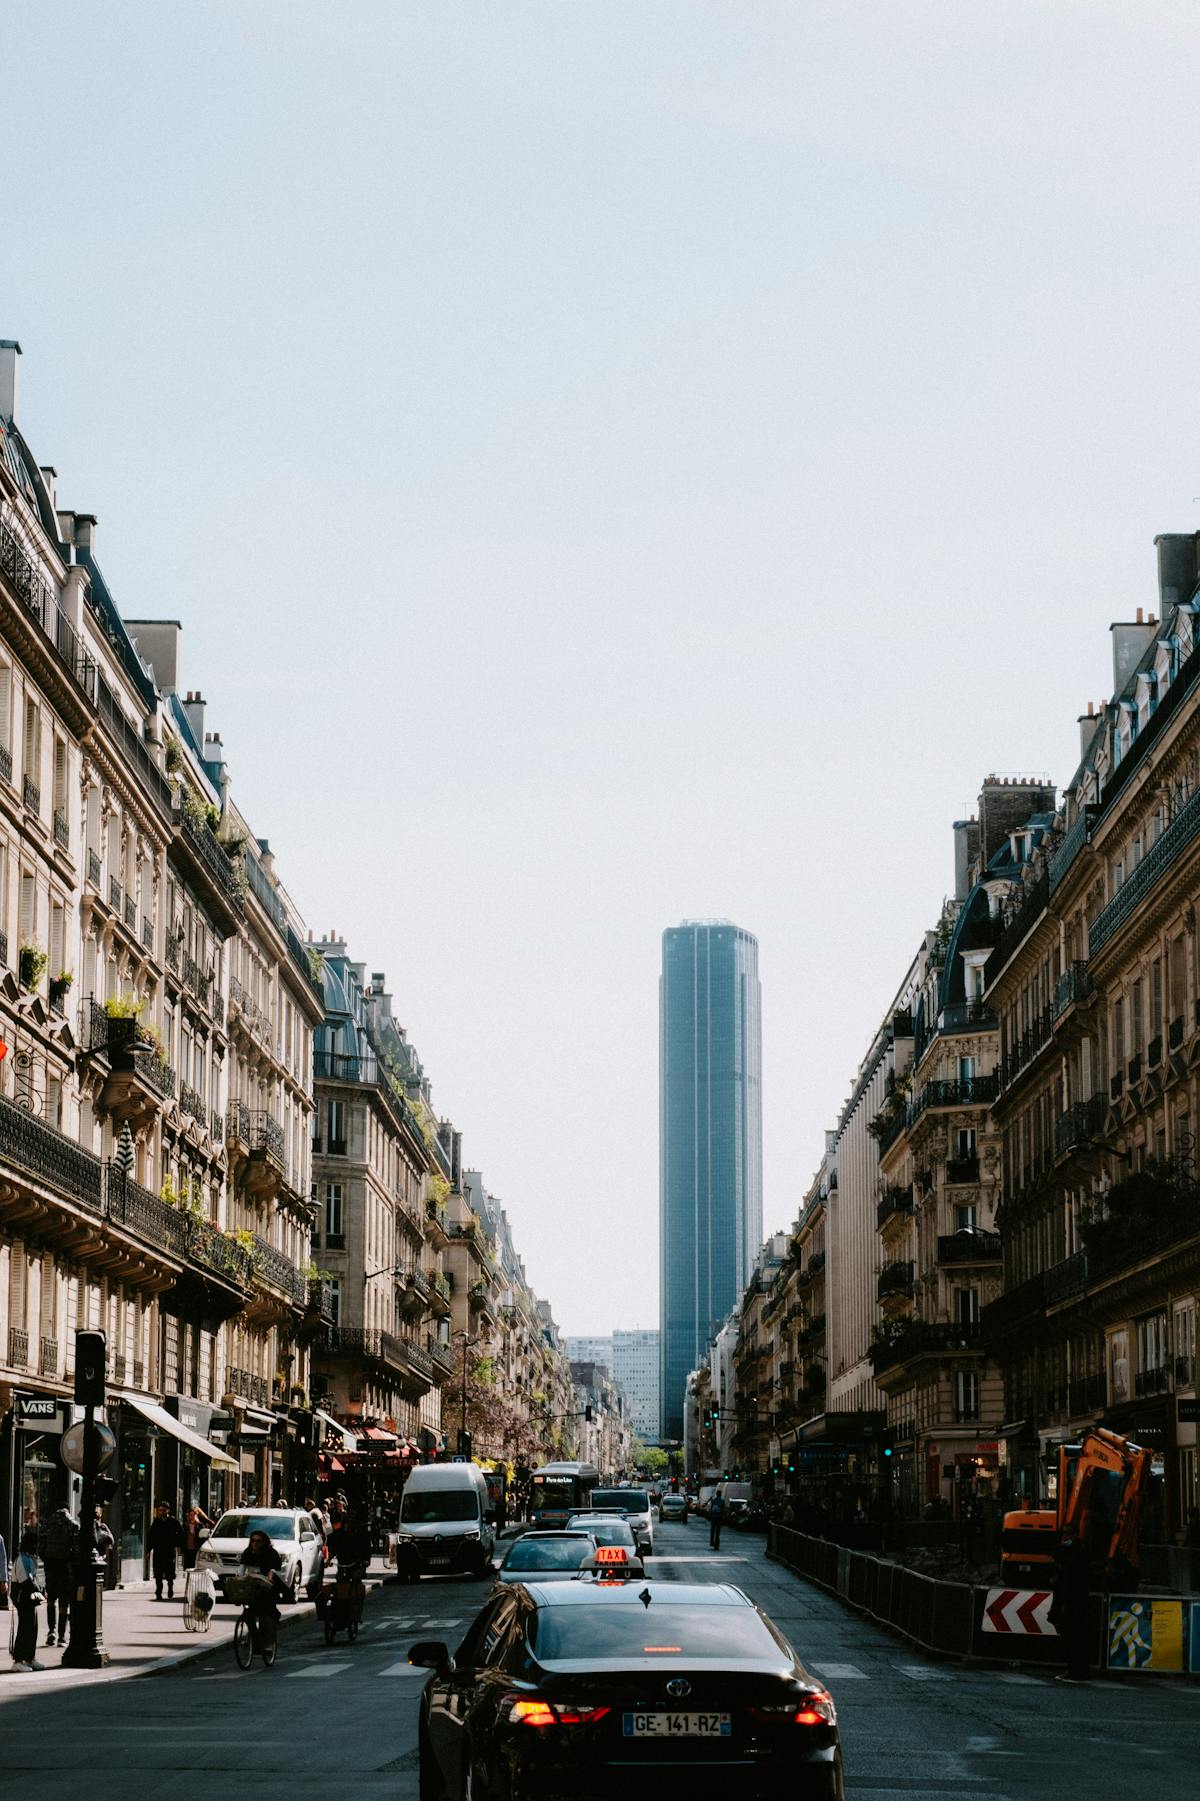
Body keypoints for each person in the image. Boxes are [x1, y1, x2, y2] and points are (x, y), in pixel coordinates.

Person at [1050, 1525, 1092, 1683]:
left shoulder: (1076, 1554)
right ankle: (1078, 1670)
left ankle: (1076, 1671)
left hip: (1072, 1602)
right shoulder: (1075, 1552)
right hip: (1073, 1601)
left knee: (1073, 1639)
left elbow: (1070, 1580)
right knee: (1075, 1639)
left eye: (1068, 1534)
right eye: (1063, 1534)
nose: (1065, 1537)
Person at [36, 1504, 78, 1649]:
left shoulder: (48, 1523)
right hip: (65, 1568)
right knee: (64, 1604)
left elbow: (40, 1546)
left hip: (50, 1567)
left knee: (51, 1600)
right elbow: (76, 1548)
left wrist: (46, 1560)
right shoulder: (72, 1524)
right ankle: (61, 1636)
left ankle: (51, 1631)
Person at [238, 1527, 284, 1646]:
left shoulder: (271, 1553)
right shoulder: (248, 1552)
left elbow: (275, 1569)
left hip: (267, 1588)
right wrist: (239, 1578)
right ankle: (254, 1637)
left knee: (265, 1615)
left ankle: (268, 1643)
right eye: (253, 1541)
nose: (255, 1543)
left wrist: (270, 1575)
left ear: (264, 1542)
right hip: (252, 1587)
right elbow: (242, 1568)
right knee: (247, 1614)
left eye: (258, 1541)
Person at [9, 1530, 45, 1671]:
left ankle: (29, 1657)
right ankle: (19, 1660)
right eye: (35, 1544)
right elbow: (26, 1581)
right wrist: (39, 1591)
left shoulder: (28, 1558)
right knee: (25, 1627)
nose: (37, 1547)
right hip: (23, 1597)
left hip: (28, 1596)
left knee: (31, 1627)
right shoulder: (23, 1559)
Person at [147, 1500, 185, 1601]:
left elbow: (181, 1534)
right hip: (158, 1551)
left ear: (168, 1510)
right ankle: (158, 1592)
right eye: (160, 1510)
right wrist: (148, 1550)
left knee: (169, 1572)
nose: (162, 1512)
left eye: (164, 1510)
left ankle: (170, 1588)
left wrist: (179, 1546)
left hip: (169, 1551)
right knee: (158, 1573)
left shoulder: (173, 1521)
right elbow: (151, 1537)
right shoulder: (156, 1522)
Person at [182, 1504, 214, 1572]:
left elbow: (203, 1537)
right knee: (187, 1568)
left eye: (193, 1514)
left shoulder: (200, 1525)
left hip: (196, 1549)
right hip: (187, 1549)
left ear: (196, 1515)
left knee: (195, 1568)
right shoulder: (185, 1525)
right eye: (190, 1515)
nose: (192, 1516)